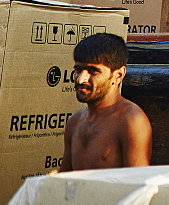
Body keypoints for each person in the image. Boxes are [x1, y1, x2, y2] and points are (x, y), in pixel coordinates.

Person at [60, 32, 153, 171]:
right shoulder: (75, 121)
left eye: (93, 71)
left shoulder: (131, 120)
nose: (81, 79)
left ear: (118, 75)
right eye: (78, 70)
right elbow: (63, 180)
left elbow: (136, 185)